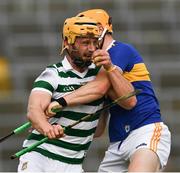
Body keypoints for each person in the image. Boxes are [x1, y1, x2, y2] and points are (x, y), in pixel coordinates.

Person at [48, 9, 171, 172]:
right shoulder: (94, 67)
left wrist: (59, 102)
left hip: (145, 130)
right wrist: (50, 125)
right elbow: (98, 130)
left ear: (99, 29)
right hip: (118, 143)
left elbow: (102, 89)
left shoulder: (118, 50)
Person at [17, 16, 111, 172]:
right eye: (85, 43)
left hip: (73, 164)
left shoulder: (100, 75)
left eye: (95, 43)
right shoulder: (52, 74)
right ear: (68, 43)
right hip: (39, 155)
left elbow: (99, 131)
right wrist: (48, 128)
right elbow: (34, 111)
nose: (92, 48)